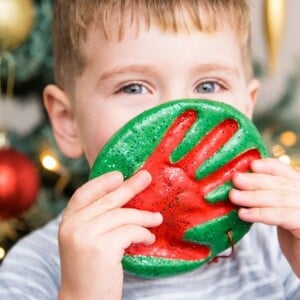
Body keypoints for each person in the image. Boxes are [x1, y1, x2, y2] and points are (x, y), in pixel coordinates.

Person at [0, 0, 300, 299]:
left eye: (208, 86)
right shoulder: (37, 268)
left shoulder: (275, 247)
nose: (174, 114)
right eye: (133, 87)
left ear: (246, 110)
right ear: (68, 121)